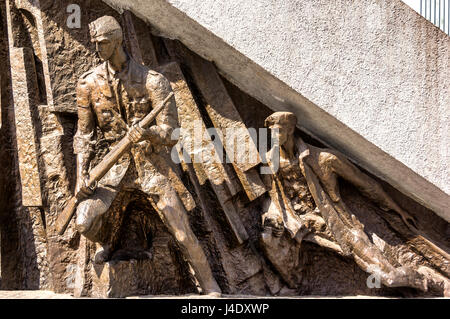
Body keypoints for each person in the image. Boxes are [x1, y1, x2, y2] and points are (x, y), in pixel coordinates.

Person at [72, 15, 221, 296]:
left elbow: (171, 133)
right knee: (83, 221)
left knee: (181, 229)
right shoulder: (88, 84)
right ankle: (108, 239)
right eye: (95, 44)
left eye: (103, 43)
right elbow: (83, 136)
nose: (97, 49)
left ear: (118, 41)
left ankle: (209, 283)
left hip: (151, 165)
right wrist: (81, 175)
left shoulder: (154, 82)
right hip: (112, 167)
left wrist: (149, 133)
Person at [261, 111, 427, 292]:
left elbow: (365, 184)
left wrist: (397, 209)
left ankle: (422, 280)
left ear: (291, 129)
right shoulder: (270, 161)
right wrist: (271, 217)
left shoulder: (324, 159)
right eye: (270, 133)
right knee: (268, 238)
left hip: (335, 223)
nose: (273, 137)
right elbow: (273, 195)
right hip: (297, 223)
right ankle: (295, 288)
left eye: (277, 131)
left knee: (389, 277)